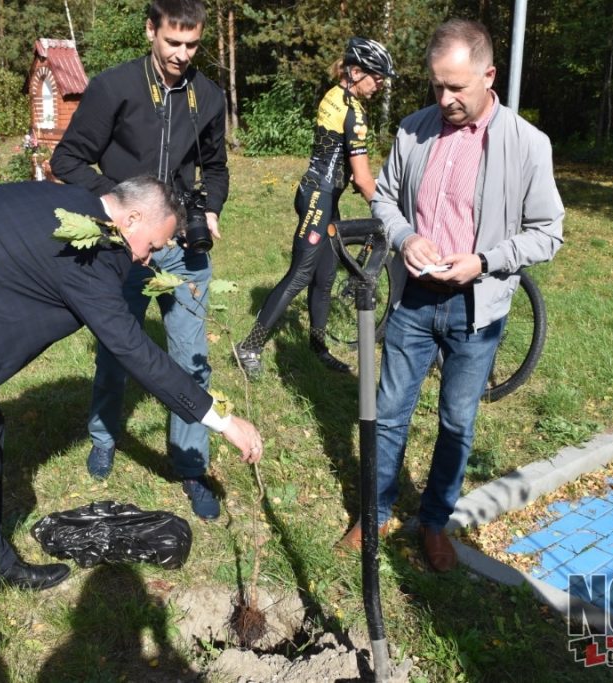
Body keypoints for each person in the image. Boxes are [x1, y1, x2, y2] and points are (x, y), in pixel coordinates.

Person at [0, 175, 265, 649]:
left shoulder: (66, 198)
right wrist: (223, 419)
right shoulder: (90, 255)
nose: (148, 257)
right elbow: (134, 351)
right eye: (153, 243)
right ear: (130, 218)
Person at [337, 19, 564, 567]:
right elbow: (384, 198)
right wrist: (405, 235)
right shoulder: (415, 130)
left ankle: (435, 523)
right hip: (413, 301)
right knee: (389, 411)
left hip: (476, 308)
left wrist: (484, 263)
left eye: (457, 87)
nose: (445, 99)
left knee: (457, 421)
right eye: (437, 85)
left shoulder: (527, 144)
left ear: (489, 76)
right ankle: (376, 513)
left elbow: (547, 233)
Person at [50, 0, 229, 519]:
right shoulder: (113, 87)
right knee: (118, 349)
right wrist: (124, 208)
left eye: (192, 45)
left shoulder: (208, 96)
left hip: (183, 251)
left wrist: (210, 209)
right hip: (123, 247)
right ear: (151, 30)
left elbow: (215, 169)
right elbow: (68, 159)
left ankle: (191, 465)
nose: (181, 54)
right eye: (172, 42)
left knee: (191, 358)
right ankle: (105, 436)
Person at [234, 38, 396, 379]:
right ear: (355, 72)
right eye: (377, 78)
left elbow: (339, 156)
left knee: (324, 276)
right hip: (318, 199)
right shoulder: (352, 110)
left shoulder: (335, 95)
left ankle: (318, 348)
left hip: (321, 193)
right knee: (301, 274)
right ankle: (249, 346)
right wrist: (386, 211)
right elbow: (365, 178)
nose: (380, 85)